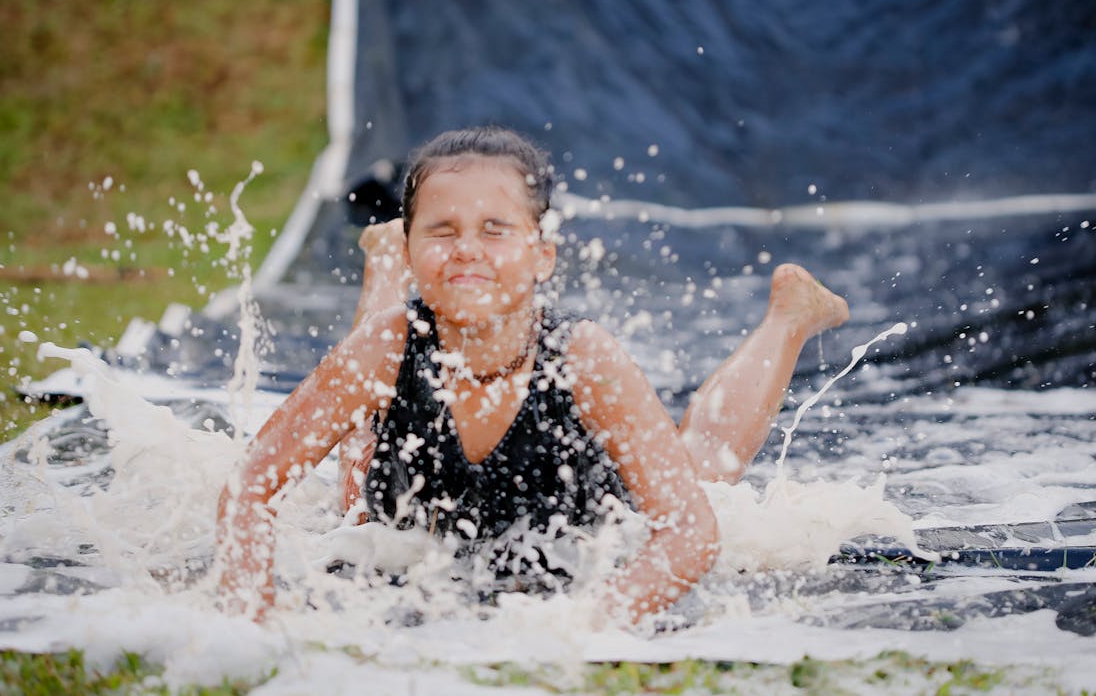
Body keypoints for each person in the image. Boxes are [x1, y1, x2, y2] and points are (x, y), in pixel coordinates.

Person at [216, 127, 848, 624]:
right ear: (416, 251)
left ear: (542, 255)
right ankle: (386, 263)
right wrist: (251, 610)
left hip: (576, 516)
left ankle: (788, 319)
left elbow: (689, 533)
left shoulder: (583, 357)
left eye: (495, 230)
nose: (467, 247)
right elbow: (250, 487)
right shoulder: (384, 346)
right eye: (442, 230)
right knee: (359, 492)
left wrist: (585, 625)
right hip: (411, 432)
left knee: (702, 462)